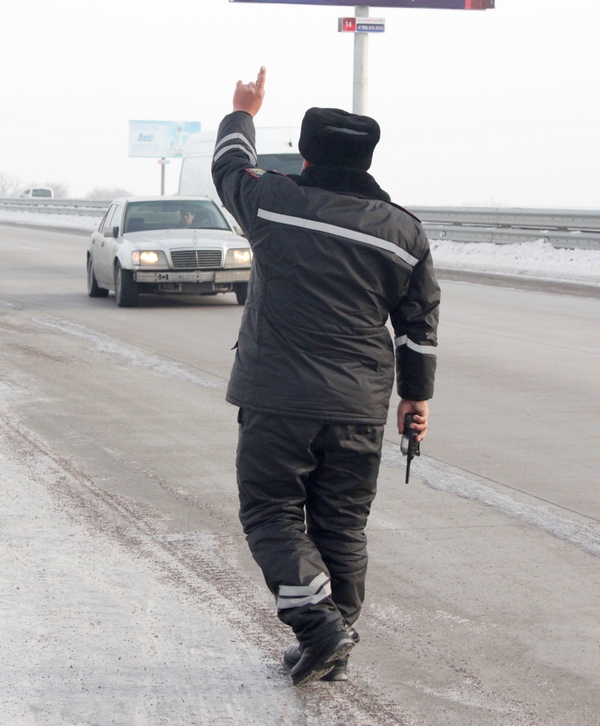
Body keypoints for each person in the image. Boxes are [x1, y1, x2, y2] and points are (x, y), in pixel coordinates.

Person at [212, 67, 439, 687]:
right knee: (342, 524)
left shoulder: (276, 202)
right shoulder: (403, 232)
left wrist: (243, 112)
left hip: (278, 398)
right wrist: (415, 398)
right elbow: (418, 326)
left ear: (306, 154)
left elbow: (228, 168)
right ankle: (333, 642)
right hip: (360, 407)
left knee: (271, 516)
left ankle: (319, 626)